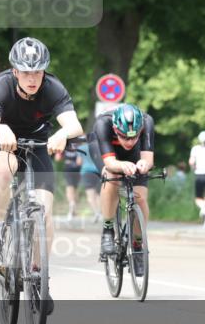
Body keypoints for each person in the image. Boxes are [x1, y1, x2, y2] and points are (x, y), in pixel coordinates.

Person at [0, 37, 84, 313]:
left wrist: (61, 133)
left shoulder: (52, 87)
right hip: (1, 142)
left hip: (37, 144)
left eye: (37, 72)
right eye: (25, 72)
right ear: (15, 72)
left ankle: (38, 277)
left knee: (45, 212)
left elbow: (74, 125)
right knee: (5, 168)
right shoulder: (0, 86)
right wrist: (1, 130)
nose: (32, 78)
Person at [90, 104, 155, 276]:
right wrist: (120, 165)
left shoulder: (147, 122)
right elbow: (111, 163)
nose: (129, 141)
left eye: (134, 137)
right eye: (124, 137)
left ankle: (137, 246)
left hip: (134, 155)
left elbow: (148, 158)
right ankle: (108, 229)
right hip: (105, 151)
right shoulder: (103, 124)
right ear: (115, 129)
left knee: (140, 197)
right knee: (112, 176)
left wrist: (144, 164)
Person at [76, 144, 101, 223]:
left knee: (90, 195)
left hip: (87, 172)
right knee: (98, 194)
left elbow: (79, 162)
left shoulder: (81, 147)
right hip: (98, 171)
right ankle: (101, 212)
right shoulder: (98, 146)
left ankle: (96, 212)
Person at [57, 143, 82, 222]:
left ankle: (71, 205)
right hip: (77, 169)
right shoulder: (79, 145)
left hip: (68, 168)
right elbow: (79, 162)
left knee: (69, 188)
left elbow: (57, 158)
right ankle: (74, 210)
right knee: (75, 189)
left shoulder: (64, 144)